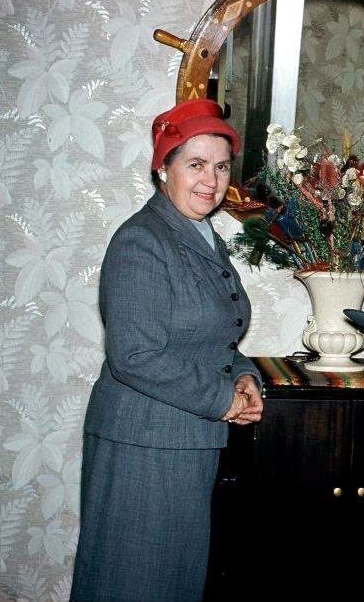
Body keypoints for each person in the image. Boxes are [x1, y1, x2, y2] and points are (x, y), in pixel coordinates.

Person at [70, 99, 264, 601]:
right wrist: (222, 399)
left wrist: (244, 377)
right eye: (195, 164)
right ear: (163, 167)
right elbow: (134, 355)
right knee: (134, 583)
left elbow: (214, 337)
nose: (211, 180)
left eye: (221, 167)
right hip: (144, 445)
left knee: (172, 583)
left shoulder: (201, 237)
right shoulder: (142, 240)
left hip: (184, 439)